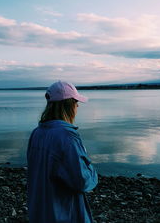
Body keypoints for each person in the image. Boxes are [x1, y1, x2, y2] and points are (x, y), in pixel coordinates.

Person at [27, 81, 98, 223]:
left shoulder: (37, 133)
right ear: (69, 105)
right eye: (76, 102)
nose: (78, 106)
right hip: (63, 214)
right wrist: (92, 172)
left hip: (40, 212)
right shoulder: (66, 137)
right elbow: (82, 181)